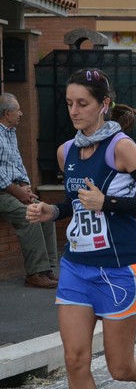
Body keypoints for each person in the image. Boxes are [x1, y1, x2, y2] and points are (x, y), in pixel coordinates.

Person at [25, 68, 136, 388]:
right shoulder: (65, 152)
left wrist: (108, 203)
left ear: (103, 104)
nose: (74, 111)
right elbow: (77, 203)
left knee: (120, 369)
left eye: (82, 103)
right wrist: (52, 211)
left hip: (118, 269)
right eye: (69, 103)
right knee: (74, 361)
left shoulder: (121, 147)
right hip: (76, 268)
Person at [0, 93, 58, 289]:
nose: (22, 113)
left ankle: (47, 268)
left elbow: (17, 162)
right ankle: (35, 273)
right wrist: (18, 192)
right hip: (3, 192)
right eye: (18, 110)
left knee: (45, 212)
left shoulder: (10, 132)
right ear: (7, 113)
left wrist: (25, 184)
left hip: (15, 188)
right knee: (30, 216)